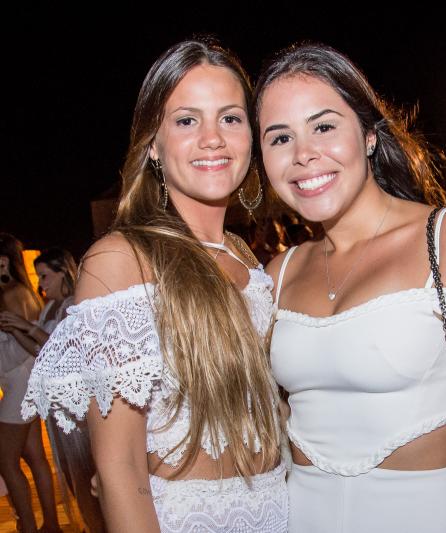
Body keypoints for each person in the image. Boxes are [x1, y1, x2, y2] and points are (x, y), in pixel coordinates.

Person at [256, 43, 446, 533]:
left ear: (369, 135)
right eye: (281, 137)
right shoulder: (278, 273)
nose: (303, 155)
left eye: (324, 127)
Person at [22, 39, 288, 532]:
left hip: (279, 513)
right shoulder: (121, 262)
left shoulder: (249, 262)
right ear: (152, 145)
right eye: (187, 121)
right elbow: (120, 470)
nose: (213, 138)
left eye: (230, 118)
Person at [3, 247, 107, 532]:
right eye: (38, 276)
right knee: (69, 468)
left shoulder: (74, 305)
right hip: (57, 401)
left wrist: (27, 327)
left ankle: (100, 524)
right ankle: (87, 522)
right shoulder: (49, 307)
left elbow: (66, 349)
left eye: (45, 276)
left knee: (85, 465)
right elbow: (40, 353)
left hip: (77, 402)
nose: (41, 283)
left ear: (63, 273)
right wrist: (16, 330)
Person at [0, 233, 61, 533]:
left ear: (3, 261)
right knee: (35, 456)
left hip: (19, 384)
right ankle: (50, 525)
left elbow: (24, 348)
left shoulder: (12, 293)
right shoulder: (20, 290)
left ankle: (28, 527)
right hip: (24, 383)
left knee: (5, 461)